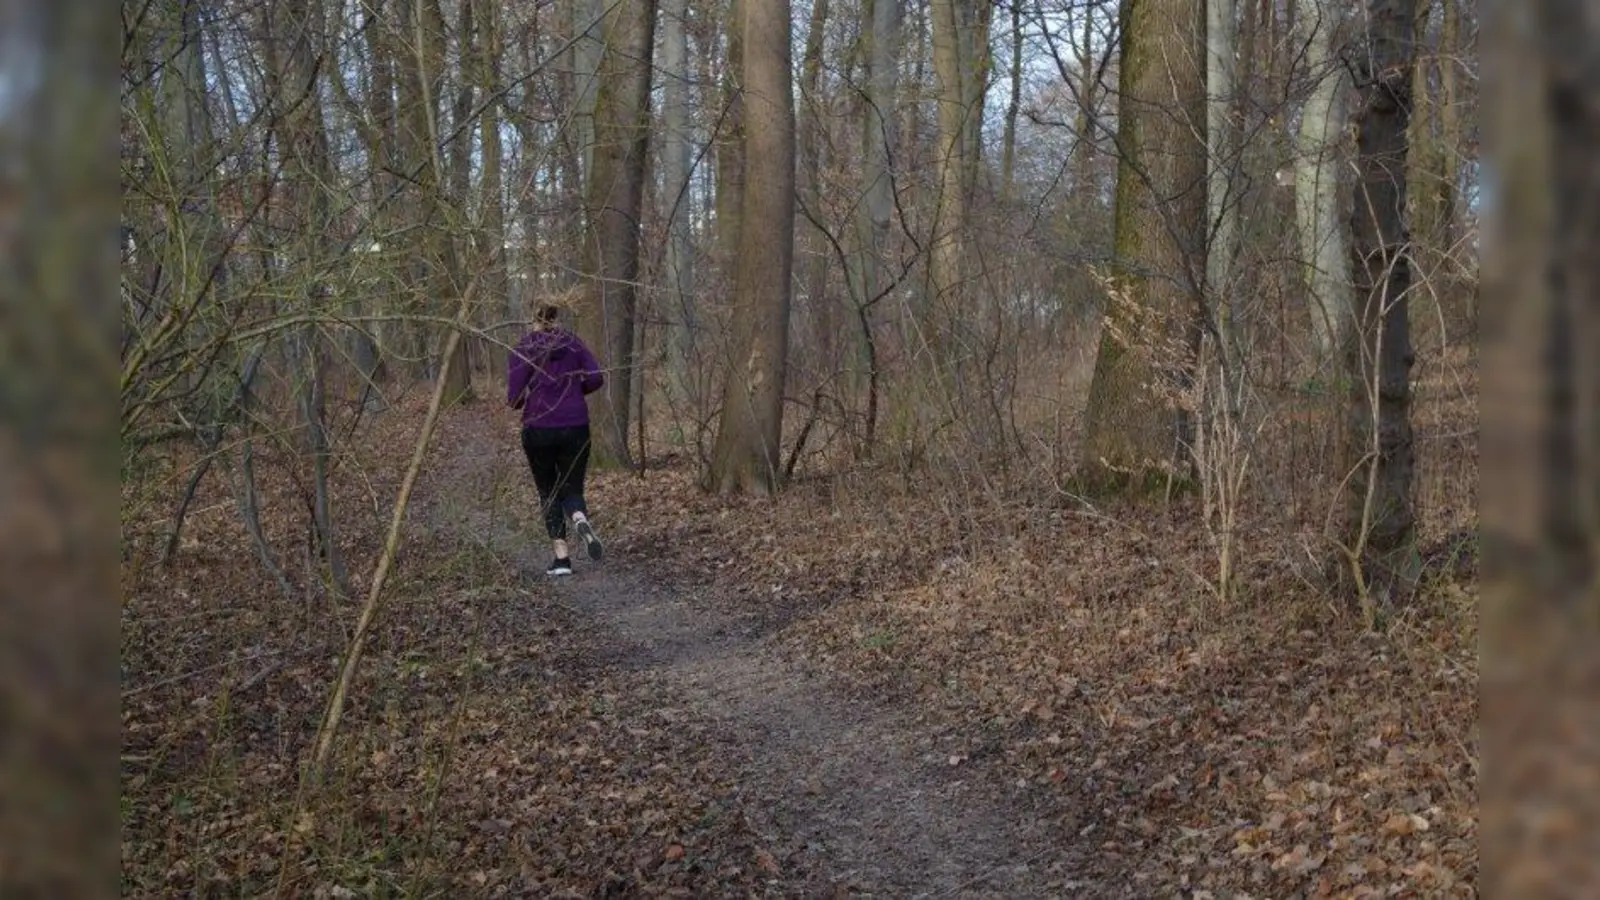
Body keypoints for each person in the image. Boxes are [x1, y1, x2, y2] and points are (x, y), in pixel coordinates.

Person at [507, 301, 605, 576]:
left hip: (539, 427)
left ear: (533, 318)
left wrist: (529, 399)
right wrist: (575, 393)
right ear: (557, 317)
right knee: (572, 487)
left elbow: (513, 397)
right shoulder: (573, 343)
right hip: (576, 425)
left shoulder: (524, 348)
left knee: (548, 490)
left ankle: (562, 559)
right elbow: (596, 377)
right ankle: (579, 517)